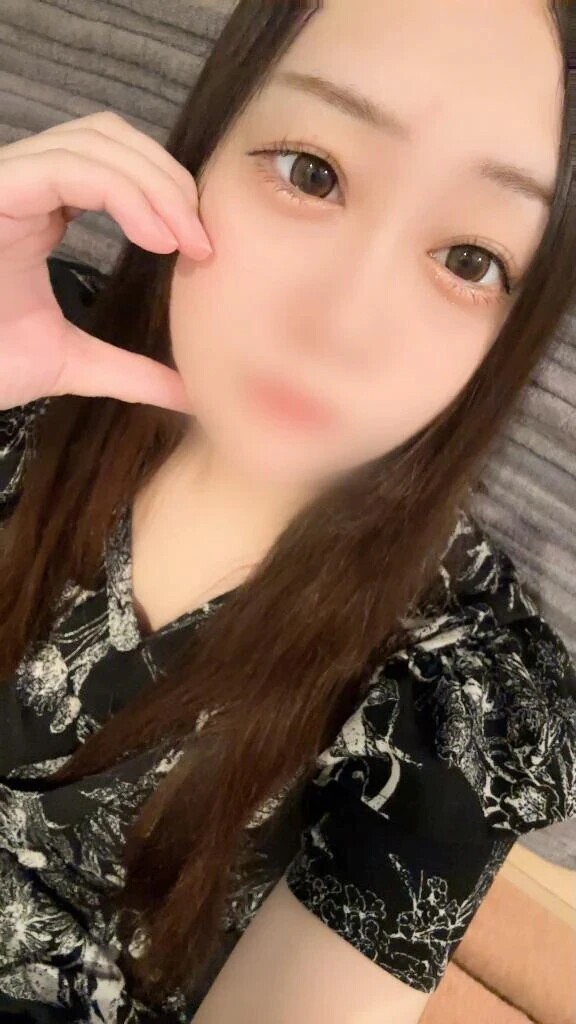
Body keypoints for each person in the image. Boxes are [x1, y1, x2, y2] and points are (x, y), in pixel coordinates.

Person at [0, 0, 574, 1021]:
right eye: (312, 173)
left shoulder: (459, 695)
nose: (340, 325)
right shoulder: (31, 335)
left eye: (469, 261)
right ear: (205, 149)